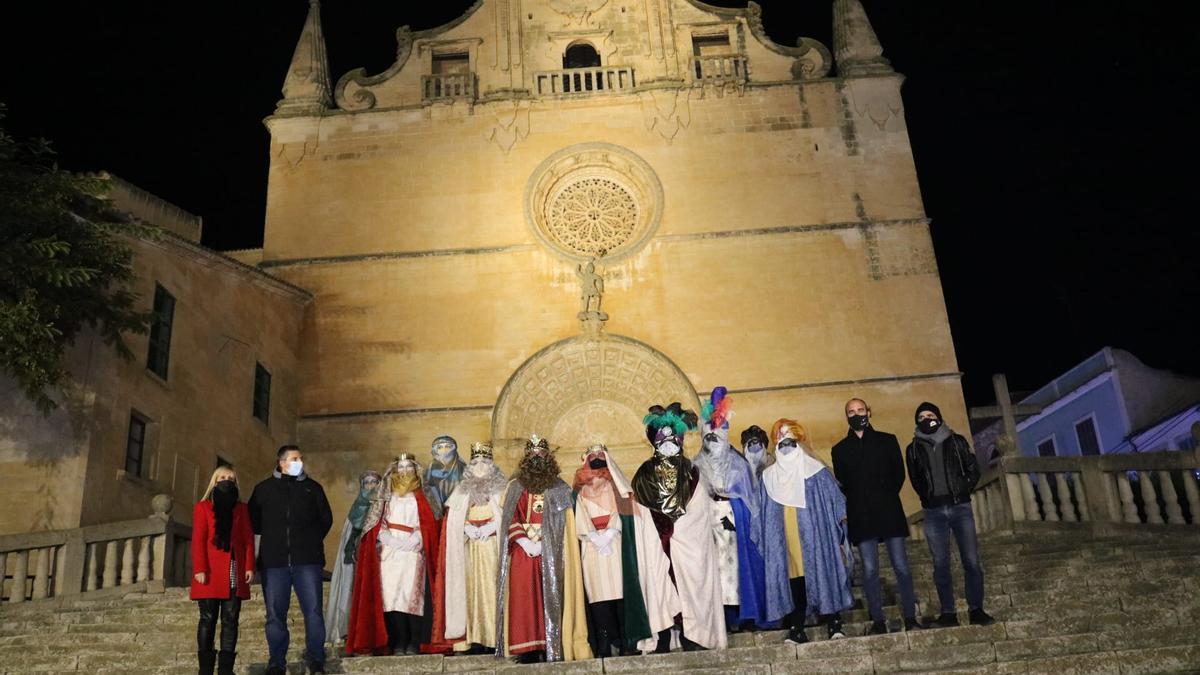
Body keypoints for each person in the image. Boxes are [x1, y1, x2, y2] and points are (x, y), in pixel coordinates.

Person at [631, 402, 726, 653]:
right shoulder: (643, 474)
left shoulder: (692, 472)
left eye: (674, 439)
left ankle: (692, 635)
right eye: (663, 440)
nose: (669, 444)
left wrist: (677, 529)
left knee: (691, 584)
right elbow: (640, 510)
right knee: (658, 584)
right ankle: (661, 636)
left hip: (688, 541)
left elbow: (699, 508)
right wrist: (659, 531)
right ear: (654, 442)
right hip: (655, 543)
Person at [494, 435, 591, 663]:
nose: (537, 459)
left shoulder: (559, 487)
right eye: (533, 455)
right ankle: (527, 650)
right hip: (522, 552)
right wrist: (525, 542)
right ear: (526, 459)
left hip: (552, 551)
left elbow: (565, 523)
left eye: (541, 455)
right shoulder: (514, 487)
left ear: (549, 458)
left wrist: (545, 542)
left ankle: (551, 646)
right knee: (524, 598)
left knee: (551, 596)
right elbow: (509, 518)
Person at [831, 398, 922, 634]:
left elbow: (898, 474)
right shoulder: (839, 450)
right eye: (851, 411)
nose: (856, 414)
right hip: (861, 516)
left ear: (869, 412)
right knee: (870, 570)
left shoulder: (887, 440)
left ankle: (911, 617)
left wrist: (884, 494)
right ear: (846, 417)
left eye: (860, 410)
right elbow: (843, 483)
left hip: (889, 511)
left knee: (901, 566)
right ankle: (878, 620)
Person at [762, 419, 854, 644]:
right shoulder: (769, 476)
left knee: (823, 574)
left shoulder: (816, 472)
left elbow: (836, 501)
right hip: (786, 538)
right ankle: (797, 627)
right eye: (781, 444)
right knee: (795, 580)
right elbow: (762, 512)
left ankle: (834, 623)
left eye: (790, 443)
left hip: (817, 536)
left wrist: (841, 529)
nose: (785, 448)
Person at [905, 402, 994, 627]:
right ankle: (948, 613)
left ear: (939, 417)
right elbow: (915, 478)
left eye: (930, 415)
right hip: (933, 512)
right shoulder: (913, 448)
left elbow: (973, 469)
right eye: (921, 416)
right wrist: (927, 496)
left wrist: (963, 489)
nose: (926, 419)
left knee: (972, 561)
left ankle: (976, 610)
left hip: (960, 508)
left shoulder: (957, 441)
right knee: (940, 564)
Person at [248, 445, 333, 675]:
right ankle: (276, 662)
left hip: (307, 561)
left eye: (301, 459)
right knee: (275, 615)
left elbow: (326, 519)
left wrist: (311, 541)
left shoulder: (312, 488)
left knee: (314, 611)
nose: (300, 462)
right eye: (295, 459)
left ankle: (316, 659)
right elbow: (253, 523)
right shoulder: (263, 489)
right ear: (281, 462)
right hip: (273, 562)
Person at [345, 454, 439, 656]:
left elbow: (430, 523)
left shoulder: (423, 496)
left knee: (412, 598)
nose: (404, 471)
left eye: (408, 467)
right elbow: (374, 523)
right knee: (391, 598)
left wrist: (417, 538)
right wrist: (387, 538)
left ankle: (414, 641)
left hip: (413, 551)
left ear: (415, 471)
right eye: (401, 467)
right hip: (388, 552)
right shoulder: (384, 496)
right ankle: (397, 641)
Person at [692, 388, 770, 632]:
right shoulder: (695, 465)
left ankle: (744, 616)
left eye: (717, 437)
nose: (713, 442)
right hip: (708, 522)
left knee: (737, 570)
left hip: (737, 522)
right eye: (709, 438)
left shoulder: (738, 464)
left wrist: (739, 515)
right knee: (715, 570)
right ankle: (721, 619)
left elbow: (748, 496)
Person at [572, 444, 655, 656]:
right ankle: (604, 642)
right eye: (593, 457)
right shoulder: (580, 492)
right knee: (597, 596)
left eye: (601, 456)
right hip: (592, 548)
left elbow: (622, 513)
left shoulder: (617, 487)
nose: (597, 460)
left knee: (620, 593)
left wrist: (609, 533)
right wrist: (592, 535)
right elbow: (578, 516)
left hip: (614, 543)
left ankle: (627, 642)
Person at [428, 441, 508, 655]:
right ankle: (474, 638)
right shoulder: (461, 492)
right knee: (471, 593)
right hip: (470, 550)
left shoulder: (502, 489)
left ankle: (495, 637)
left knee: (493, 589)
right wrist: (466, 529)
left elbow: (507, 518)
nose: (480, 465)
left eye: (485, 461)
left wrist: (493, 526)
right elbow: (453, 522)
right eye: (476, 461)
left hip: (492, 547)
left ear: (492, 464)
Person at [191, 465, 254, 675]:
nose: (227, 480)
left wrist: (249, 566)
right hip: (209, 570)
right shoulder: (203, 507)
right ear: (214, 481)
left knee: (231, 619)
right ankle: (205, 669)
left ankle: (226, 670)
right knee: (208, 618)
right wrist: (199, 568)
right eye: (222, 477)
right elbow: (198, 539)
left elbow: (247, 539)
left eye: (231, 478)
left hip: (234, 568)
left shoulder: (242, 509)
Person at [740, 425, 794, 630]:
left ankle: (786, 613)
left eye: (757, 443)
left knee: (780, 571)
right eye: (749, 444)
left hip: (775, 529)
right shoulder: (739, 470)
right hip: (748, 530)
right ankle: (754, 614)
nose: (753, 447)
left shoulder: (776, 465)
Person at [325, 470, 381, 645]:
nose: (371, 486)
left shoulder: (384, 507)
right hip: (356, 558)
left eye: (374, 482)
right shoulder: (356, 508)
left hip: (379, 557)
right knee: (352, 590)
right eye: (367, 483)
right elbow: (349, 535)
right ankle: (348, 630)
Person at [424, 435, 465, 519]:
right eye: (440, 447)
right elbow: (426, 490)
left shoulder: (463, 468)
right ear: (435, 450)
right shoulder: (430, 469)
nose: (444, 450)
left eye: (448, 446)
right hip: (435, 513)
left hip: (457, 511)